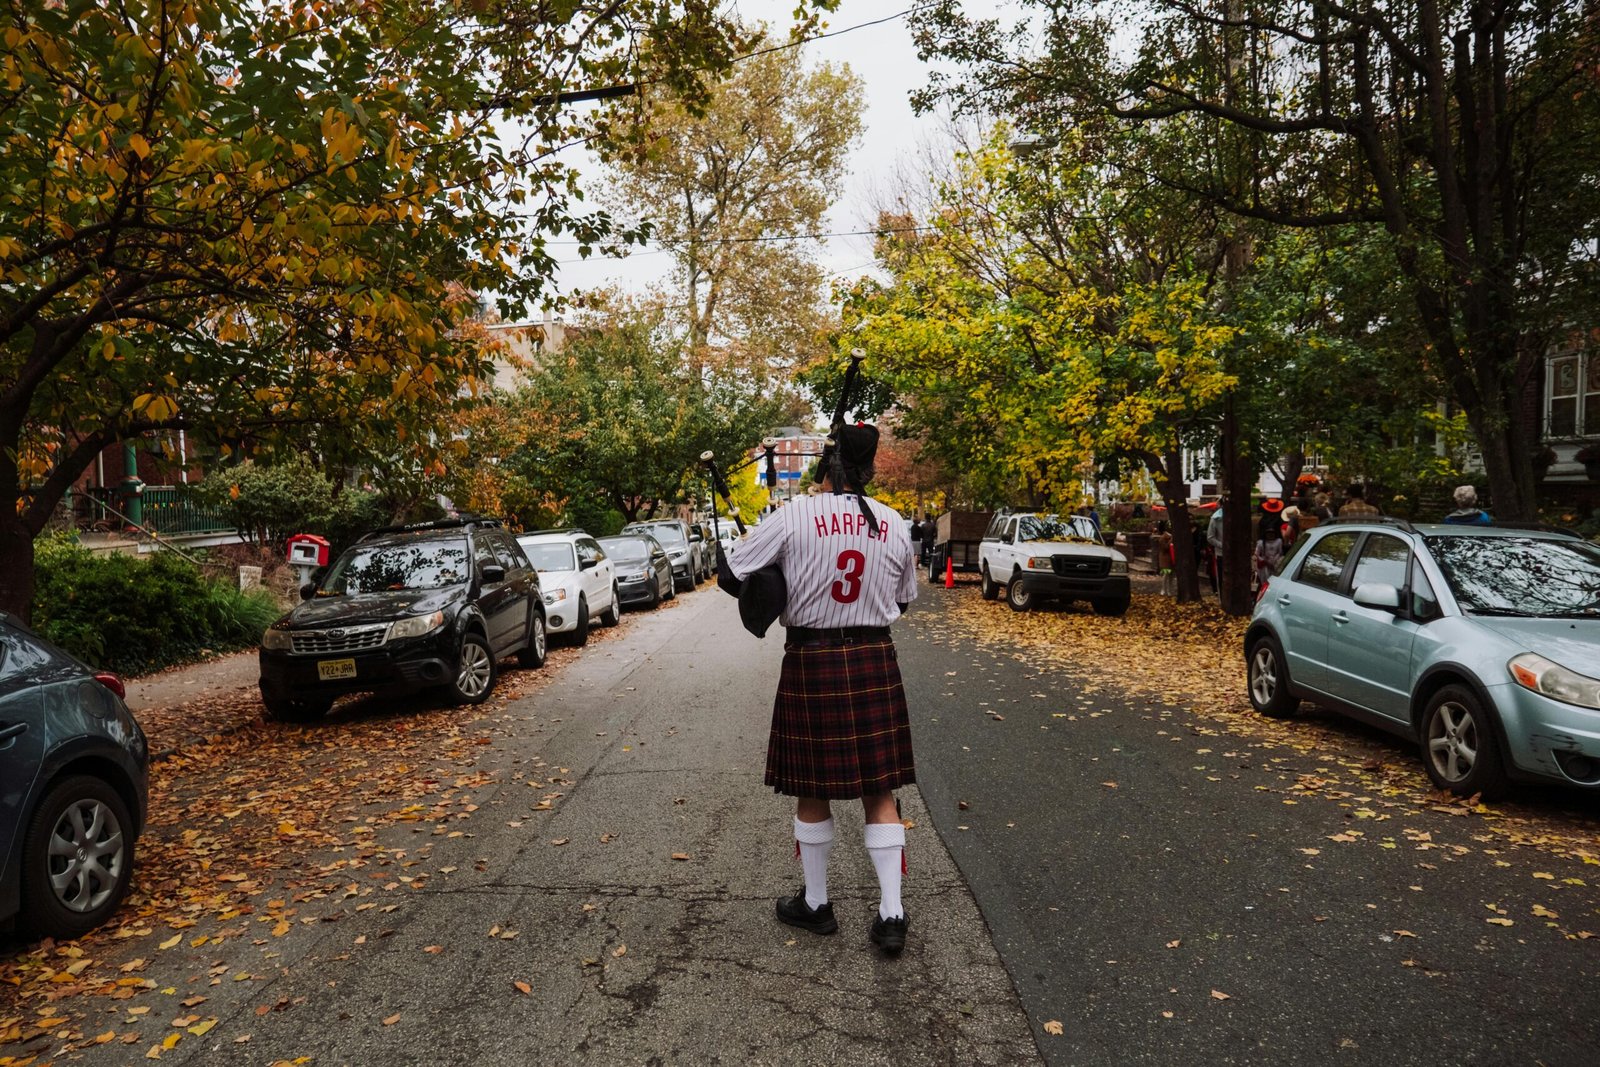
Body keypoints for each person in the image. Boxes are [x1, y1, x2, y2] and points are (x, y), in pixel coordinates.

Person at [722, 423, 919, 957]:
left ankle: (816, 904)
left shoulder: (793, 516)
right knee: (880, 790)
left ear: (825, 467)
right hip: (876, 657)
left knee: (815, 788)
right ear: (870, 468)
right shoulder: (895, 523)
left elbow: (732, 573)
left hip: (812, 660)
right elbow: (903, 601)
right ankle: (891, 914)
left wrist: (773, 580)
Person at [1254, 513, 1286, 590]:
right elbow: (1256, 554)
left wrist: (1274, 560)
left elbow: (1280, 553)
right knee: (1264, 583)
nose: (1270, 535)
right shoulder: (1261, 542)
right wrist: (1264, 560)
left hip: (1275, 564)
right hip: (1264, 567)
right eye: (1268, 533)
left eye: (1272, 533)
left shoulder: (1279, 541)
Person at [1152, 519, 1176, 596]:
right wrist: (1171, 540)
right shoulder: (1163, 538)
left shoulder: (1171, 536)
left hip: (1172, 559)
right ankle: (1163, 589)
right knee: (1166, 575)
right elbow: (1165, 548)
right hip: (1165, 559)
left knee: (1172, 575)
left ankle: (1170, 590)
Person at [1206, 500, 1225, 593]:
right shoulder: (1216, 518)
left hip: (1236, 554)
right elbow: (1210, 537)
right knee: (1221, 579)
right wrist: (1222, 545)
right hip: (1221, 554)